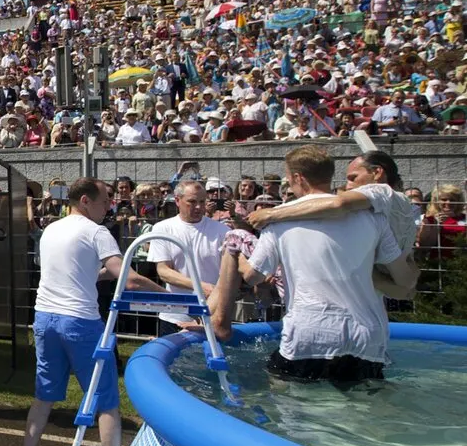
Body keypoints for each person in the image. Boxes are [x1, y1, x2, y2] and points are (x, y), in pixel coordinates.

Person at [16, 178, 161, 446]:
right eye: (104, 200)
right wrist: (169, 293)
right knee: (106, 401)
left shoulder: (52, 229)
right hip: (80, 322)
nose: (108, 205)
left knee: (43, 398)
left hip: (45, 319)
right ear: (85, 201)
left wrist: (100, 275)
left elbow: (72, 272)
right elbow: (130, 280)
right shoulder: (97, 232)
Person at [230, 146, 419, 383]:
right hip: (367, 338)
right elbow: (404, 277)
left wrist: (234, 246)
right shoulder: (374, 216)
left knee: (287, 401)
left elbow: (253, 276)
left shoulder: (276, 218)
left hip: (309, 333)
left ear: (298, 178)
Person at [245, 151, 417, 303]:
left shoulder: (381, 191)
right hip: (394, 273)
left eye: (353, 177)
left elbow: (339, 204)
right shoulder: (404, 203)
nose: (349, 185)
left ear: (377, 173)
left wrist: (272, 214)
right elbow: (407, 282)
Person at [146, 180, 229, 335]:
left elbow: (227, 273)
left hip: (211, 314)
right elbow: (163, 271)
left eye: (202, 201)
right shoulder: (162, 229)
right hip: (174, 315)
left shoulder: (222, 231)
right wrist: (200, 286)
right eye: (192, 201)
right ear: (177, 200)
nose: (198, 207)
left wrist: (215, 293)